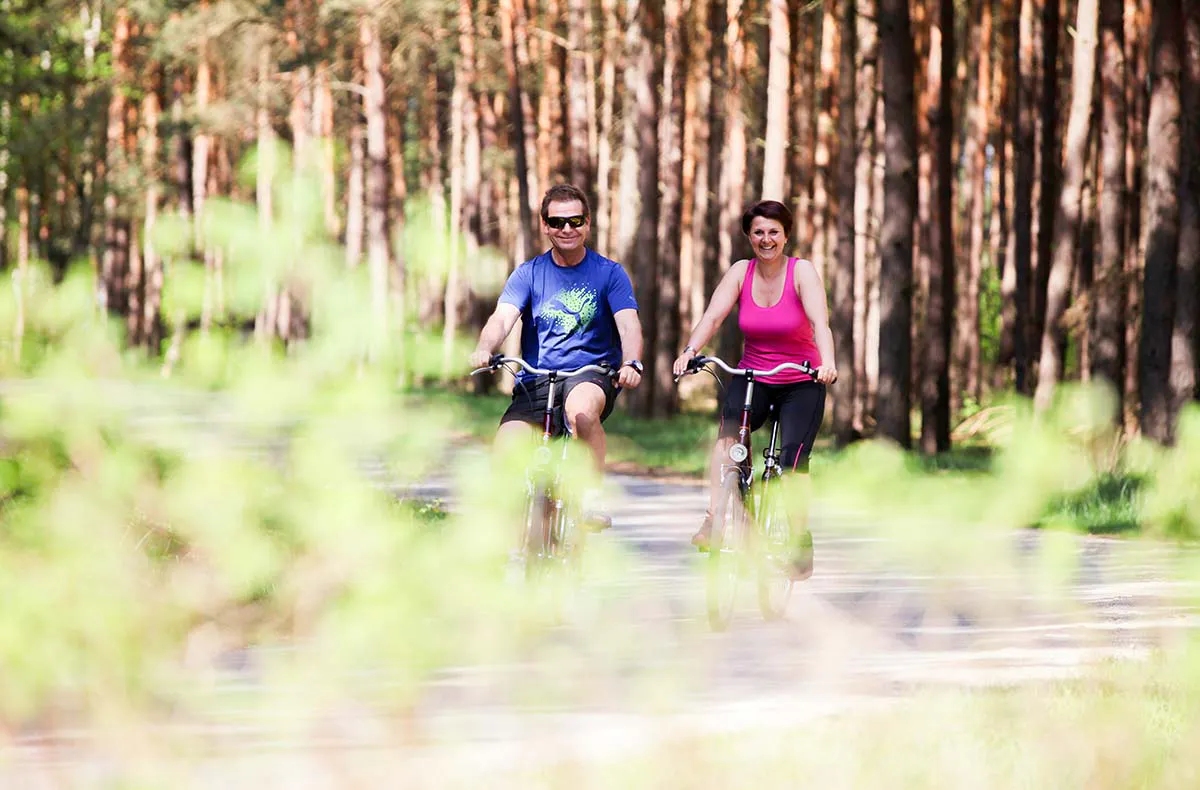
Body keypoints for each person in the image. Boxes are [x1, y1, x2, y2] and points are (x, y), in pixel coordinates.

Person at [672, 199, 837, 579]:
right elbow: (713, 316)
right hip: (753, 377)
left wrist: (827, 363)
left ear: (786, 236)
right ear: (749, 236)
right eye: (758, 232)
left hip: (801, 379)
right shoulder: (740, 272)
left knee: (793, 462)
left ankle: (798, 539)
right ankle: (715, 520)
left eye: (773, 232)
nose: (766, 239)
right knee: (728, 441)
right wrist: (689, 352)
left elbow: (820, 324)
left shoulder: (802, 272)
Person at [470, 183, 644, 527]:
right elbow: (502, 318)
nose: (567, 229)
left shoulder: (609, 273)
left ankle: (591, 494)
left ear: (588, 224)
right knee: (506, 450)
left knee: (579, 412)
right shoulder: (529, 273)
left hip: (591, 373)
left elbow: (628, 325)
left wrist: (632, 361)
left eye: (576, 221)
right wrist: (483, 348)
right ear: (545, 225)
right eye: (558, 222)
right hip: (536, 377)